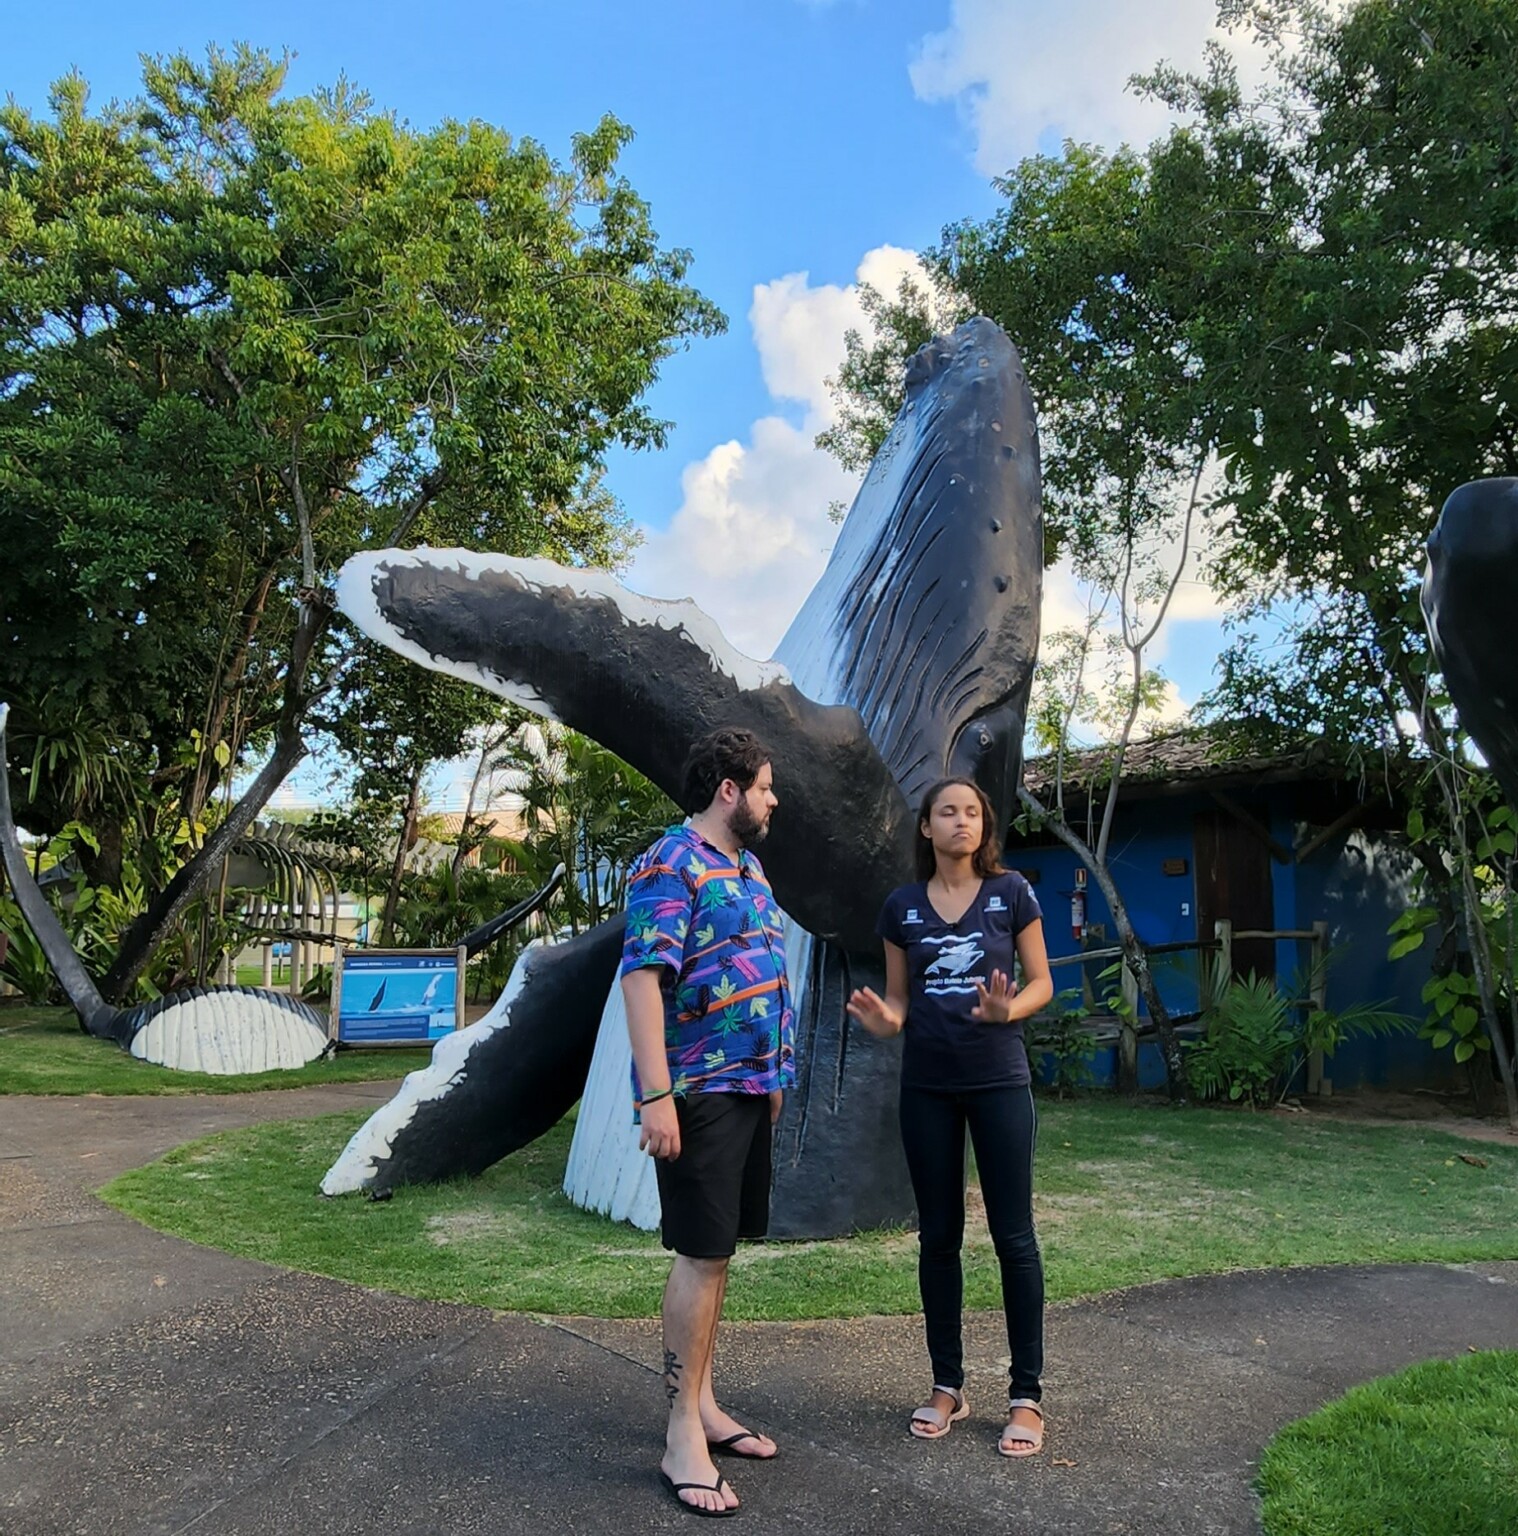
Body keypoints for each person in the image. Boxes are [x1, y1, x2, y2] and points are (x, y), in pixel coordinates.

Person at [845, 775, 1054, 1457]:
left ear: (983, 827)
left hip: (998, 1081)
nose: (961, 822)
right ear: (927, 829)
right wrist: (887, 1019)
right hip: (928, 1088)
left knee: (1014, 1238)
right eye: (946, 812)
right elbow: (901, 1001)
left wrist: (1008, 1010)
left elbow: (1042, 983)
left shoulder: (1012, 894)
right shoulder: (901, 908)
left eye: (972, 812)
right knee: (937, 1239)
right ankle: (947, 1386)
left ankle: (1026, 1396)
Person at [621, 725, 793, 1517]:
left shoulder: (749, 867)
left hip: (751, 1087)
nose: (772, 798)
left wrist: (776, 1075)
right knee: (699, 1252)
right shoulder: (671, 861)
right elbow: (644, 978)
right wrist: (655, 1095)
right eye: (763, 786)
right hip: (698, 1087)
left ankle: (707, 1403)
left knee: (720, 1253)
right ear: (729, 790)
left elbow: (763, 969)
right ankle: (680, 1435)